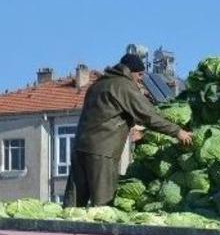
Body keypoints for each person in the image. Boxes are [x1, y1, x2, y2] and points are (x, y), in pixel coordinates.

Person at [64, 53, 192, 207]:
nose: (141, 78)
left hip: (80, 148)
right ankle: (104, 232)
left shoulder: (98, 84)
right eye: (139, 74)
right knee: (102, 206)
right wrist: (177, 131)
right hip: (102, 152)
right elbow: (149, 116)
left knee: (73, 205)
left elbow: (108, 114)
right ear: (130, 71)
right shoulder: (124, 86)